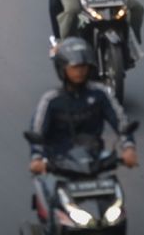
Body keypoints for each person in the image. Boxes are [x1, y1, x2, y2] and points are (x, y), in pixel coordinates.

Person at [28, 38, 138, 183]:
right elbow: (37, 132)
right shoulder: (51, 100)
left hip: (94, 159)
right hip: (58, 164)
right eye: (74, 67)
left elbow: (120, 121)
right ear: (63, 68)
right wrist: (37, 159)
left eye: (83, 67)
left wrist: (128, 148)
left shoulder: (101, 94)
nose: (79, 72)